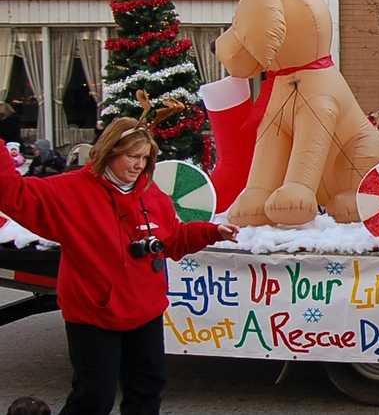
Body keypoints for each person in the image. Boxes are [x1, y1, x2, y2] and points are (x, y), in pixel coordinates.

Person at [0, 116, 238, 414]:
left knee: (147, 389)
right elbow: (15, 195)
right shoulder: (71, 191)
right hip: (93, 313)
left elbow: (172, 240)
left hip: (144, 311)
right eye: (131, 156)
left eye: (145, 158)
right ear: (110, 152)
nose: (139, 165)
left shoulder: (152, 195)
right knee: (94, 396)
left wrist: (211, 232)